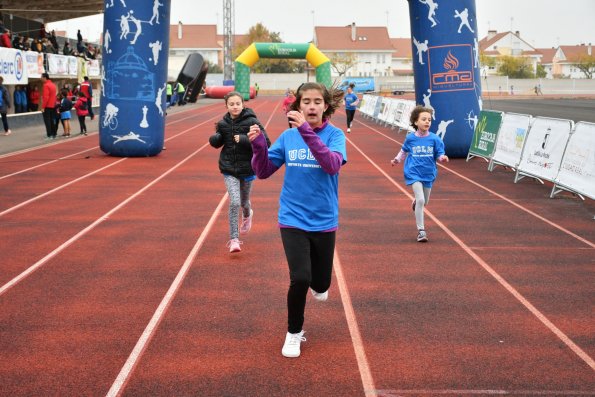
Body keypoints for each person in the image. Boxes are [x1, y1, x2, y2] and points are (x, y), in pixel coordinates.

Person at [248, 82, 347, 358]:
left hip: (324, 220)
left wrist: (305, 130)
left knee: (321, 284)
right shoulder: (288, 138)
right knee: (300, 277)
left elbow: (331, 165)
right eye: (306, 102)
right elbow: (264, 171)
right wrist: (258, 147)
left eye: (317, 101)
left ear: (325, 106)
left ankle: (321, 284)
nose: (312, 106)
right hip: (292, 218)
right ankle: (293, 333)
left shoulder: (335, 136)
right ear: (298, 106)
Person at [209, 91, 270, 253]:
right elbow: (219, 142)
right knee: (234, 202)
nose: (235, 107)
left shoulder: (252, 121)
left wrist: (244, 139)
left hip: (248, 168)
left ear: (243, 104)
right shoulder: (222, 124)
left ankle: (248, 214)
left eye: (238, 104)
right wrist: (215, 139)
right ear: (226, 106)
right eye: (231, 104)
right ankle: (234, 239)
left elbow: (266, 142)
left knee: (244, 202)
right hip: (229, 168)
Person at [390, 105, 449, 243]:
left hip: (428, 173)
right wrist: (397, 160)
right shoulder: (411, 138)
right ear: (416, 122)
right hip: (413, 172)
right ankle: (421, 231)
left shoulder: (435, 139)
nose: (427, 122)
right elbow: (404, 151)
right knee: (421, 200)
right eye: (424, 119)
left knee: (424, 202)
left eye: (429, 119)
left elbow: (440, 154)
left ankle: (416, 202)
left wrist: (442, 158)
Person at [41, 73, 58, 139]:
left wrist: (43, 107)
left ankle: (49, 135)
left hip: (47, 106)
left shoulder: (46, 85)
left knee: (47, 121)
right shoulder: (53, 85)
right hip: (52, 105)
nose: (40, 78)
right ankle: (54, 134)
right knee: (51, 120)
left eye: (41, 77)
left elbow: (46, 97)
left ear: (45, 77)